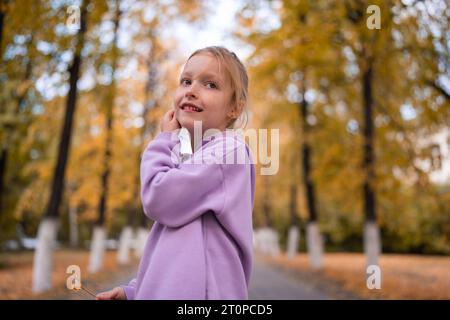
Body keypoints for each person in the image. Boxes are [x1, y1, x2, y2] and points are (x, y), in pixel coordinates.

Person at [96, 46, 255, 300]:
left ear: (234, 108)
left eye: (210, 85)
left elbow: (158, 197)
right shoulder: (190, 158)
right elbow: (175, 242)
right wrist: (136, 291)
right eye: (186, 81)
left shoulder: (228, 151)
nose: (191, 90)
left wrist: (164, 139)